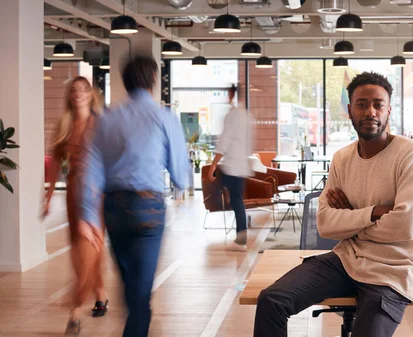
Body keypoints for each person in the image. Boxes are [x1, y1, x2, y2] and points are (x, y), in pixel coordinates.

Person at [253, 72, 413, 337]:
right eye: (362, 104)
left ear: (389, 110)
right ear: (349, 110)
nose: (370, 111)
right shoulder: (342, 158)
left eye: (378, 104)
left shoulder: (411, 153)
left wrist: (349, 219)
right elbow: (325, 224)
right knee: (271, 300)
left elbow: (404, 228)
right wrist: (373, 213)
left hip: (394, 269)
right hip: (347, 259)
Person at [79, 55, 189, 337]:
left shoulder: (107, 120)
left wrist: (87, 215)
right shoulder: (163, 118)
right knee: (140, 294)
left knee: (130, 287)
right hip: (147, 209)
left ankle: (138, 322)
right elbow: (180, 174)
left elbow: (91, 169)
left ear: (125, 83)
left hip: (114, 209)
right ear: (154, 81)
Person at [42, 76, 109, 335]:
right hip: (73, 192)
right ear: (70, 96)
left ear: (91, 94)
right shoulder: (65, 124)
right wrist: (48, 197)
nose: (79, 93)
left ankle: (75, 311)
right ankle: (100, 294)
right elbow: (56, 163)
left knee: (89, 248)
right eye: (74, 90)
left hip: (96, 193)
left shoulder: (101, 124)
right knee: (83, 248)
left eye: (84, 89)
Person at [208, 84, 254, 251]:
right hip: (240, 166)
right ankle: (240, 238)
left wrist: (213, 165)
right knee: (236, 201)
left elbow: (224, 141)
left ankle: (241, 240)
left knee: (226, 197)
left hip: (232, 166)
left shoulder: (232, 115)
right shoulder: (246, 116)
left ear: (231, 95)